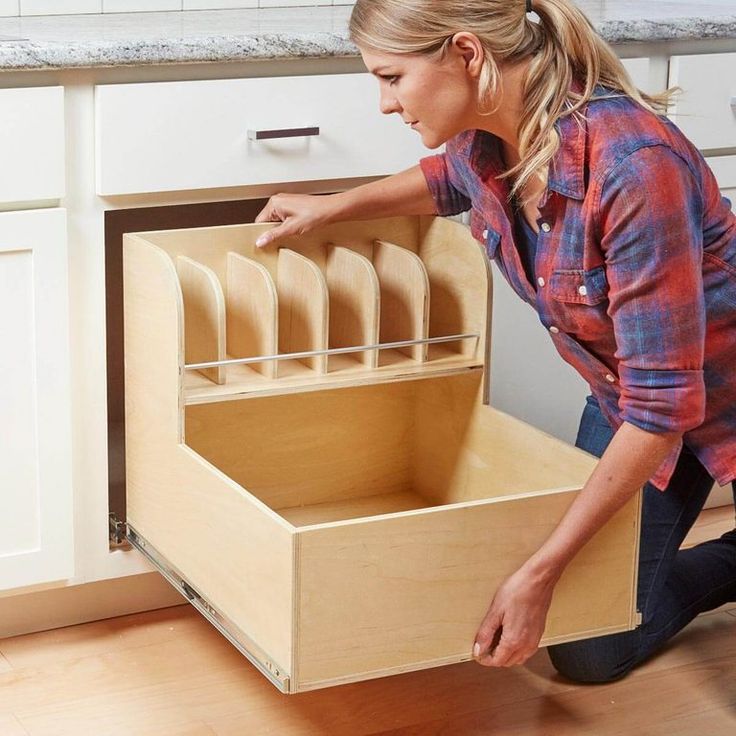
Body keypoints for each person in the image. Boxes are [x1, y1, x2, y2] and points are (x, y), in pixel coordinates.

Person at [254, 0, 736, 683]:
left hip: (700, 392)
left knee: (564, 600)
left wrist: (539, 574)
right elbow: (450, 182)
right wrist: (335, 205)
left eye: (392, 77)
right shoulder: (490, 140)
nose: (385, 104)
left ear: (467, 54)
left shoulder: (633, 167)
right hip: (636, 394)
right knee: (588, 648)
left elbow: (664, 407)